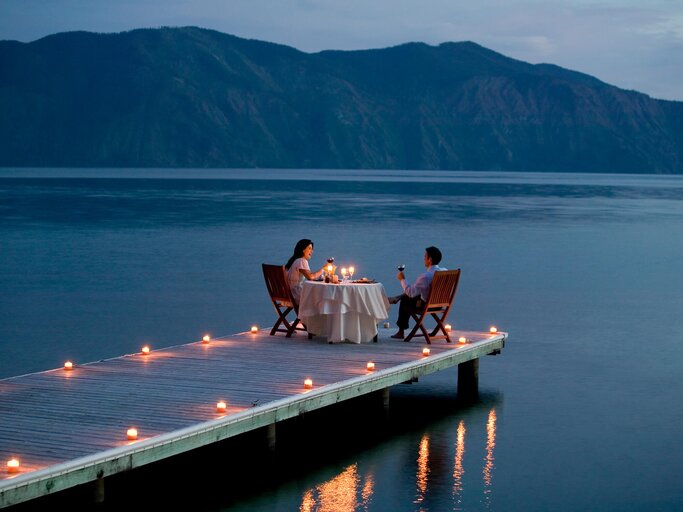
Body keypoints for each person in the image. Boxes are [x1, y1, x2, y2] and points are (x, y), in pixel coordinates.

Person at [389, 246, 447, 339]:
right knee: (410, 295)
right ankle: (397, 297)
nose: (423, 259)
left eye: (425, 257)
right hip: (439, 304)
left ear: (430, 259)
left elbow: (411, 293)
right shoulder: (445, 271)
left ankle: (401, 332)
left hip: (426, 305)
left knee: (406, 299)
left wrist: (402, 279)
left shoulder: (426, 276)